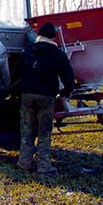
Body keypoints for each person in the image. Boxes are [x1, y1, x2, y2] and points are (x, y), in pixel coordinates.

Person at [17, 22, 75, 175]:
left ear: (39, 35)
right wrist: (67, 91)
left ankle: (24, 162)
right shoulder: (57, 54)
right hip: (47, 97)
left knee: (27, 130)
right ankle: (43, 166)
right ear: (52, 37)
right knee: (44, 131)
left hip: (27, 95)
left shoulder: (28, 50)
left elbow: (17, 71)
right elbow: (68, 76)